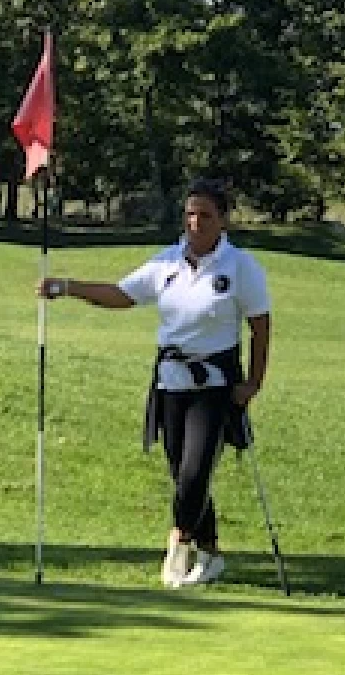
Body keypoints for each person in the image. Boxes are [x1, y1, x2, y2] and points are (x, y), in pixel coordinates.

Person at [38, 179, 273, 589]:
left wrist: (253, 383)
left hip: (216, 384)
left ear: (223, 220)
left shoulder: (240, 267)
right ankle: (212, 554)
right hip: (170, 383)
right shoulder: (167, 264)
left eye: (206, 215)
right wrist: (66, 288)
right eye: (190, 214)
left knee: (195, 472)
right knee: (181, 471)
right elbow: (121, 294)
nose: (196, 223)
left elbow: (261, 328)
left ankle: (177, 546)